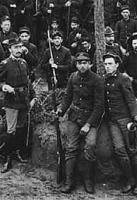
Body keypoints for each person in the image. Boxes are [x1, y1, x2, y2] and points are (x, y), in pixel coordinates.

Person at [56, 52, 104, 194]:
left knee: (90, 145)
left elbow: (99, 106)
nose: (82, 66)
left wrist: (88, 125)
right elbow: (68, 96)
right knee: (71, 147)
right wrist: (61, 110)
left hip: (90, 118)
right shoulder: (73, 77)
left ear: (90, 64)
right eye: (79, 63)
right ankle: (69, 181)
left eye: (85, 63)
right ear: (76, 64)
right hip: (74, 117)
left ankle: (88, 180)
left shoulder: (97, 80)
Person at [102, 53, 137, 195]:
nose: (107, 67)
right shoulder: (104, 80)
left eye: (110, 64)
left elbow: (131, 100)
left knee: (132, 150)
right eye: (106, 64)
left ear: (117, 64)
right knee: (119, 150)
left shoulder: (123, 79)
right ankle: (130, 180)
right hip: (112, 121)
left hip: (125, 120)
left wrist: (135, 117)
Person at [0, 37, 35, 173]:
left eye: (20, 47)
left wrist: (33, 97)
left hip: (24, 100)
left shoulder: (24, 63)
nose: (18, 50)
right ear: (10, 49)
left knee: (21, 128)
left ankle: (17, 153)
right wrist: (5, 86)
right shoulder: (5, 64)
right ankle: (6, 158)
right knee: (10, 130)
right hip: (11, 100)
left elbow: (28, 82)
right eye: (15, 47)